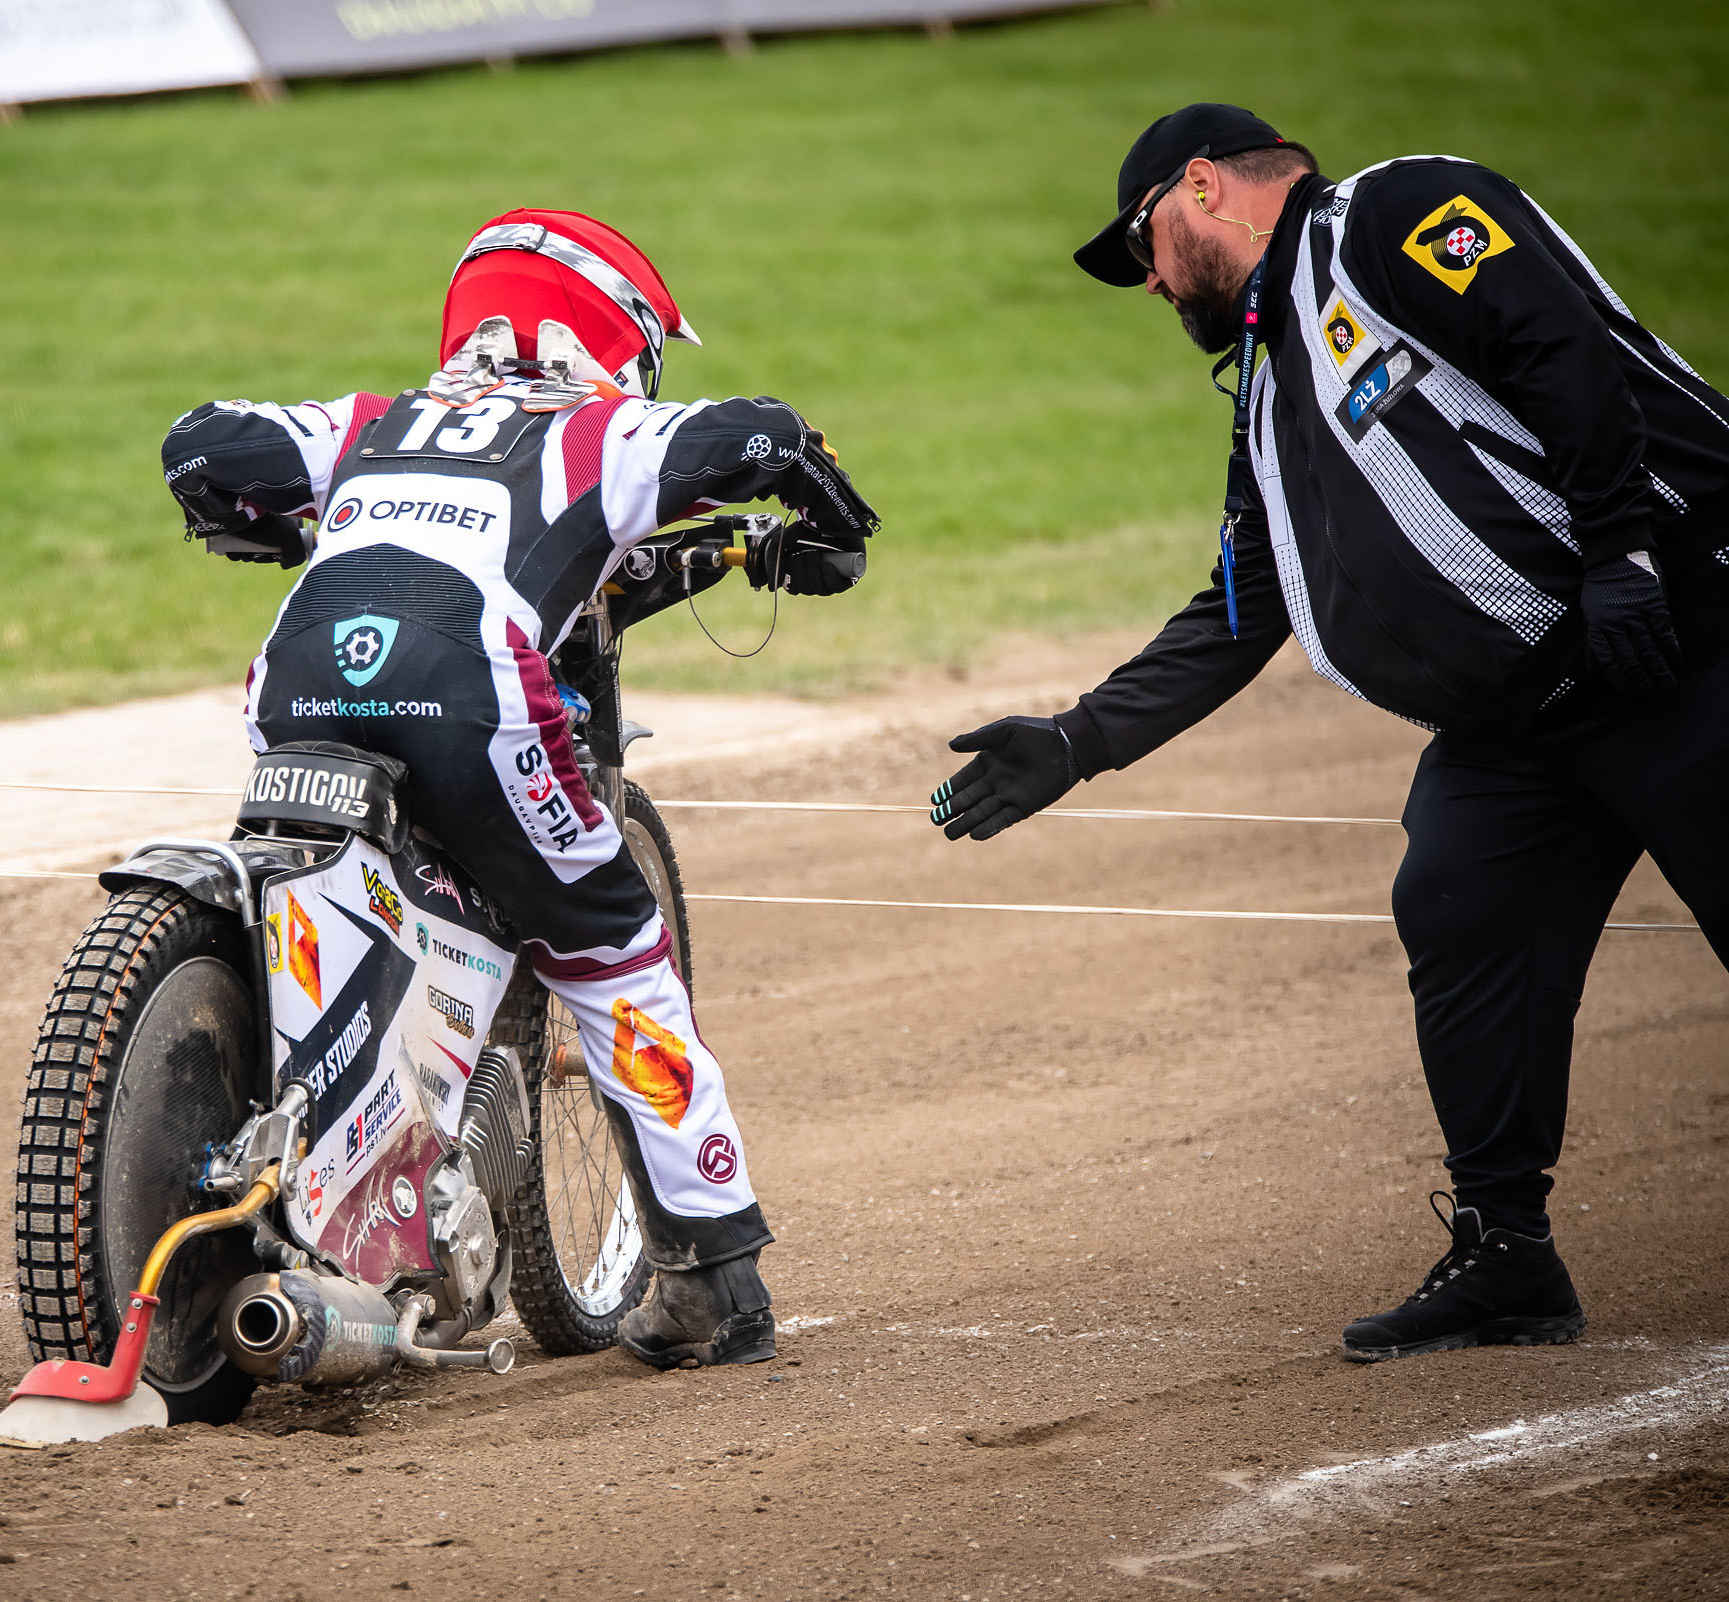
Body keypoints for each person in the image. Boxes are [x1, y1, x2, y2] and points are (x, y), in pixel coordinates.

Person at [931, 105, 1729, 1362]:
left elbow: (1556, 344)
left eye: (1141, 241)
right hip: (1522, 727)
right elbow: (1242, 602)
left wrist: (1624, 551)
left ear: (1203, 187)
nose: (1145, 278)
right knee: (1458, 901)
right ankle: (1506, 1254)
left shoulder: (1393, 213)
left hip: (1683, 632)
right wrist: (1079, 740)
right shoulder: (1269, 386)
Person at [159, 209, 878, 1367]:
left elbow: (199, 446)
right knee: (610, 949)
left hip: (293, 683)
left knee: (341, 894)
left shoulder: (370, 424)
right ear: (615, 332)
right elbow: (771, 437)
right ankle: (714, 1274)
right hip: (470, 692)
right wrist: (837, 520)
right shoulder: (601, 433)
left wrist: (250, 527)